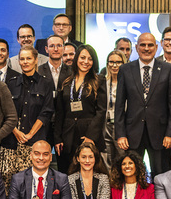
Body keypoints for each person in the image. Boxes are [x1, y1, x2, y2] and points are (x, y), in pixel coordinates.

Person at [114, 32, 171, 175]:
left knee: (160, 174)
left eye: (150, 45)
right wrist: (120, 134)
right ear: (137, 47)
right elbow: (119, 105)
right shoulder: (125, 69)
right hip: (132, 133)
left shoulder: (168, 69)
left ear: (156, 47)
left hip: (160, 134)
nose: (146, 48)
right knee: (133, 174)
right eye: (143, 45)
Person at [2, 46, 54, 184]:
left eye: (28, 58)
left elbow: (46, 112)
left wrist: (30, 134)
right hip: (11, 140)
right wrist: (16, 131)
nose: (25, 62)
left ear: (36, 60)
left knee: (30, 183)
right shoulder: (11, 83)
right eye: (22, 59)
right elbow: (5, 111)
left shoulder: (46, 83)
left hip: (34, 141)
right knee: (7, 180)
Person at [54, 45, 107, 173]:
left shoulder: (99, 80)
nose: (86, 61)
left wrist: (91, 137)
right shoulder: (65, 80)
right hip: (67, 136)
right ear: (77, 59)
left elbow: (101, 111)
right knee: (66, 173)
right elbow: (60, 112)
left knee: (89, 173)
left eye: (90, 59)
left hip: (88, 135)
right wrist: (57, 138)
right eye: (83, 57)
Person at [101, 50, 125, 167]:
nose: (114, 65)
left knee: (122, 158)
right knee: (107, 160)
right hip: (105, 126)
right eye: (111, 62)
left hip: (122, 126)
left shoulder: (128, 83)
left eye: (118, 62)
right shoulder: (102, 82)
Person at [39, 35, 70, 100]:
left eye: (59, 45)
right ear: (46, 49)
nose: (56, 49)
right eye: (52, 46)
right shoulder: (38, 71)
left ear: (64, 49)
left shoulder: (71, 72)